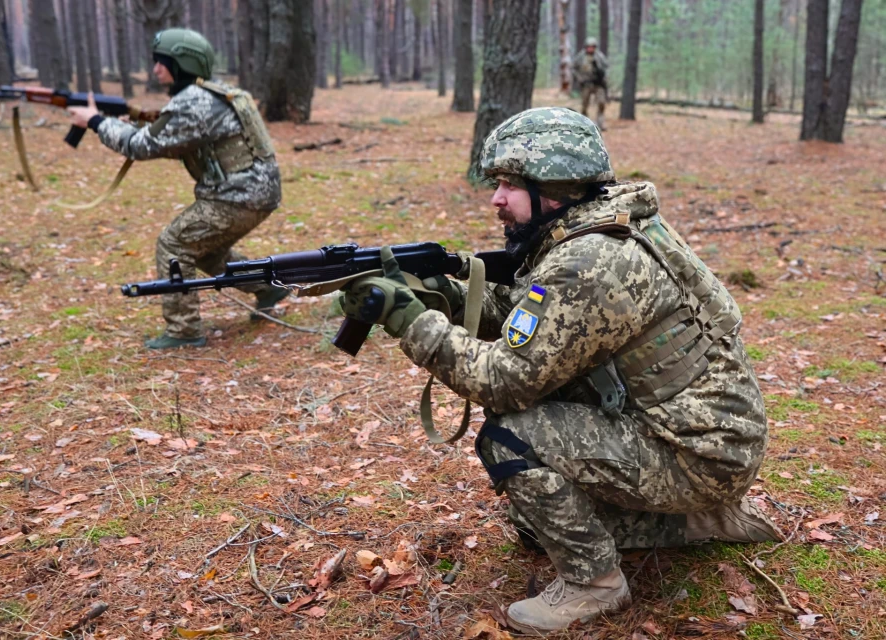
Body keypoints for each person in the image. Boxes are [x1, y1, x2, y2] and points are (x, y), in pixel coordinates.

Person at [339, 108, 782, 635]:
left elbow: (504, 380)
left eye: (508, 184)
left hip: (696, 454)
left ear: (554, 188)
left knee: (511, 440)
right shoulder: (604, 227)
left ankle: (595, 584)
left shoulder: (588, 262)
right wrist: (450, 297)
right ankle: (697, 520)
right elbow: (541, 319)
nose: (496, 199)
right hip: (707, 438)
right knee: (532, 522)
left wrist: (409, 320)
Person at [68, 28, 286, 350]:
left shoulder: (194, 102)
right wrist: (118, 120)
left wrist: (96, 122)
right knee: (207, 252)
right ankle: (267, 287)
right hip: (252, 193)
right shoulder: (208, 94)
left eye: (162, 62)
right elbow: (166, 132)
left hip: (239, 197)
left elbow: (141, 147)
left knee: (174, 244)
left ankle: (184, 331)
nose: (155, 69)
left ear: (183, 64)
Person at [572, 37, 609, 130]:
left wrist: (604, 78)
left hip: (598, 84)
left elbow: (606, 68)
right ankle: (583, 123)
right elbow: (573, 68)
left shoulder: (599, 56)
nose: (590, 49)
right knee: (584, 104)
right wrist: (579, 78)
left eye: (592, 47)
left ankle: (600, 123)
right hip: (586, 84)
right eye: (589, 47)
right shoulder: (581, 56)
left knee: (601, 103)